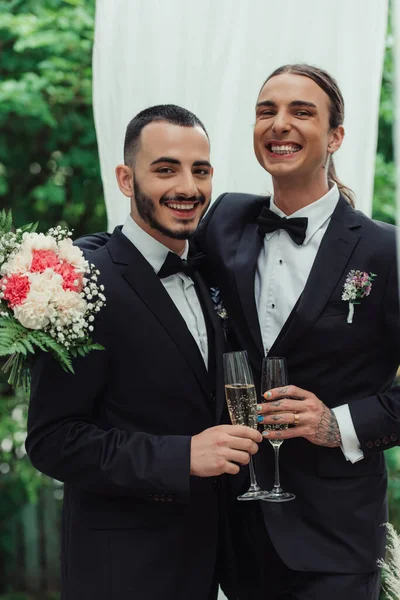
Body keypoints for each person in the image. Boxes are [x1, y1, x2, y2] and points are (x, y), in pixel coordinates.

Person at [25, 104, 262, 600]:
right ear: (126, 179)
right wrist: (182, 456)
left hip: (211, 565)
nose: (188, 187)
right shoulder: (81, 282)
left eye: (200, 170)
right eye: (165, 168)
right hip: (123, 572)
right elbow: (52, 439)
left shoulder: (206, 271)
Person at [195, 64, 400, 600]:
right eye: (267, 111)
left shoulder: (387, 252)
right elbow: (155, 259)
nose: (279, 123)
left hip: (338, 536)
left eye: (301, 112)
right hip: (237, 529)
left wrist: (339, 424)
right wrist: (61, 266)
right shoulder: (225, 220)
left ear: (335, 137)